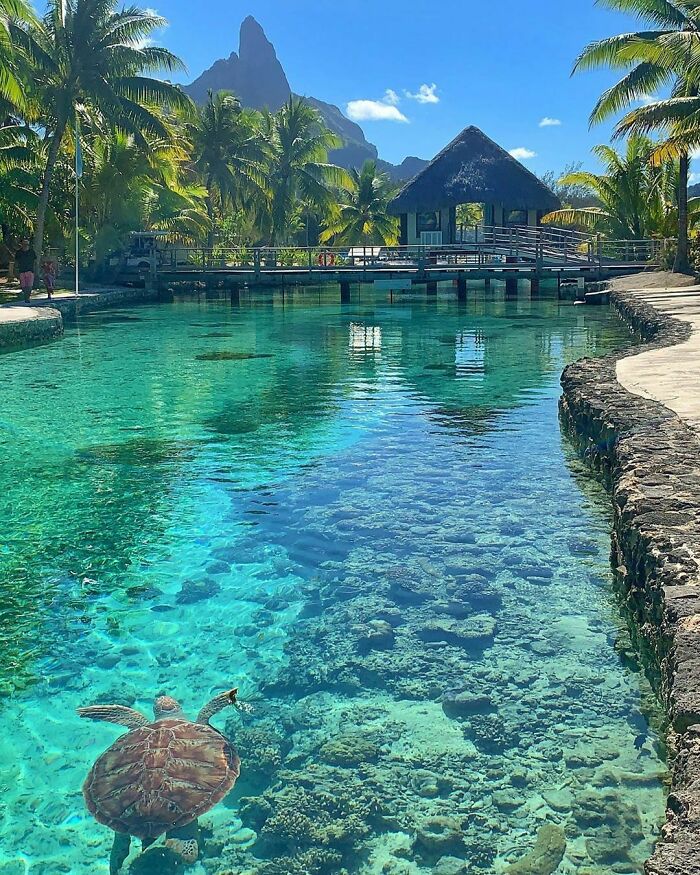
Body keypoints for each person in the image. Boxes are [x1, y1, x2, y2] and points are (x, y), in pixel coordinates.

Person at [14, 238, 37, 303]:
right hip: (22, 271)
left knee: (29, 286)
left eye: (27, 244)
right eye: (24, 244)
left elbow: (35, 262)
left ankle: (27, 298)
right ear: (21, 244)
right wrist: (15, 270)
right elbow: (16, 262)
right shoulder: (18, 253)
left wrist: (36, 270)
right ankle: (26, 296)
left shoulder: (32, 252)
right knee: (23, 286)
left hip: (30, 271)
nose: (25, 245)